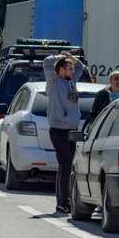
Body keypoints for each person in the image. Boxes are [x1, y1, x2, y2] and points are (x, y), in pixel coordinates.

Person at [44, 51, 87, 215]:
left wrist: (70, 57)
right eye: (69, 68)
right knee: (65, 165)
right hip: (58, 130)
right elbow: (47, 62)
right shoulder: (54, 82)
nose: (73, 71)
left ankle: (64, 201)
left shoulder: (72, 82)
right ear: (61, 70)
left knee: (67, 167)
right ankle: (62, 203)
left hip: (71, 130)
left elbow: (80, 66)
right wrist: (61, 56)